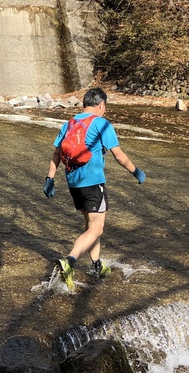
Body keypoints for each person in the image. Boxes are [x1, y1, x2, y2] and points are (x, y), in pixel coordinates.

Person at [43, 87, 146, 288]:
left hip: (73, 183)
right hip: (92, 183)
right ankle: (69, 261)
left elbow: (56, 155)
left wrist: (50, 179)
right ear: (101, 105)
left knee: (91, 226)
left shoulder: (69, 124)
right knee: (97, 227)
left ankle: (96, 265)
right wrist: (136, 171)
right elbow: (119, 155)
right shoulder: (102, 124)